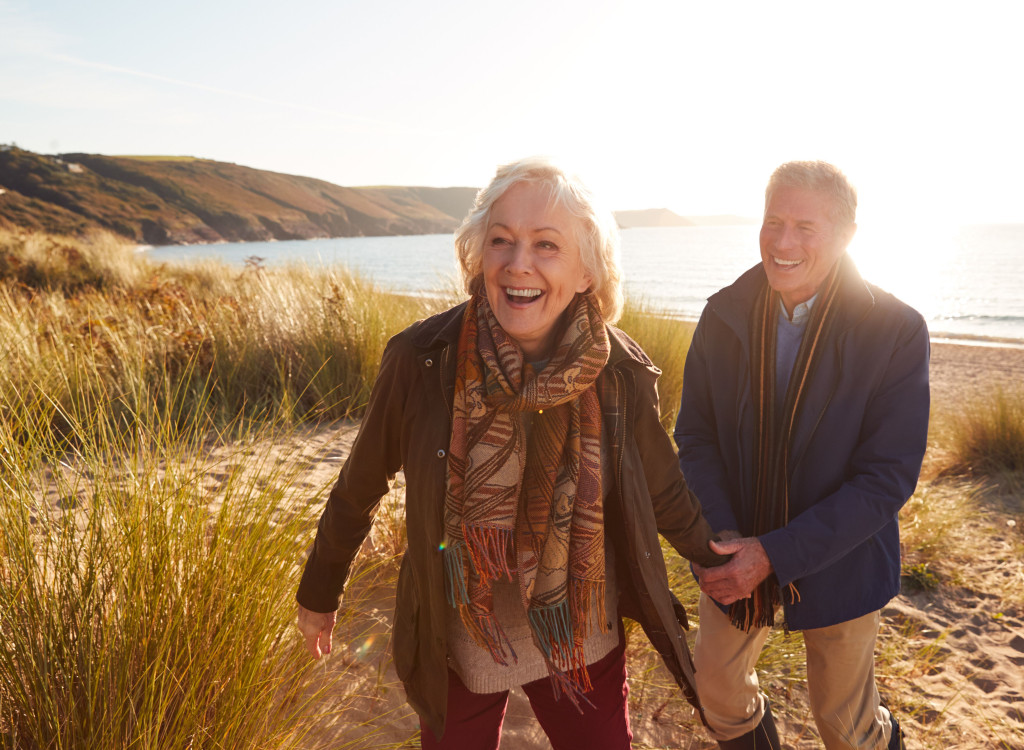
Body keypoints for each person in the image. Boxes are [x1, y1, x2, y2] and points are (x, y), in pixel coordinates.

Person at [295, 157, 728, 749]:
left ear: (588, 273)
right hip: (462, 629)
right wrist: (320, 593)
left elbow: (664, 488)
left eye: (547, 245)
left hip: (578, 626)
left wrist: (717, 561)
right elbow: (359, 485)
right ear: (478, 255)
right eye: (501, 240)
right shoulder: (421, 359)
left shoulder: (618, 368)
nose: (517, 262)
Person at [675, 161, 929, 750]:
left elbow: (886, 479)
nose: (783, 242)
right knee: (715, 689)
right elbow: (696, 437)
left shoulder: (894, 329)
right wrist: (722, 537)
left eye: (805, 227)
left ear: (845, 236)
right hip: (731, 545)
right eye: (773, 222)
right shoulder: (723, 313)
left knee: (844, 726)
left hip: (840, 555)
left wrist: (777, 553)